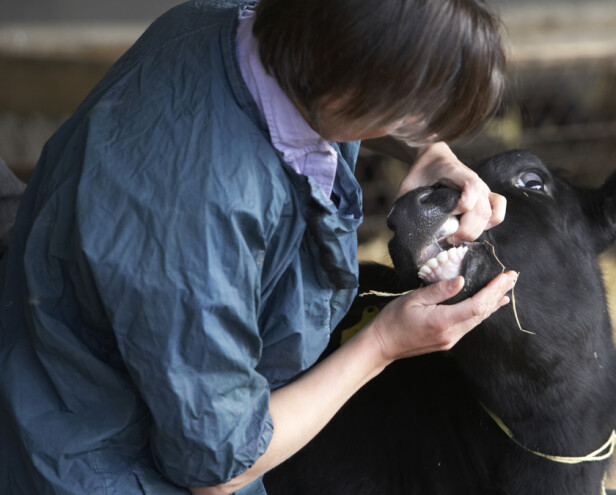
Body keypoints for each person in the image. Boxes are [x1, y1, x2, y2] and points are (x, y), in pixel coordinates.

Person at [0, 0, 517, 494]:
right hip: (92, 458)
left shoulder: (236, 23)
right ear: (350, 86)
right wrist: (383, 345)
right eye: (410, 114)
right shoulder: (201, 217)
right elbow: (220, 467)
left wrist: (431, 153)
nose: (412, 129)